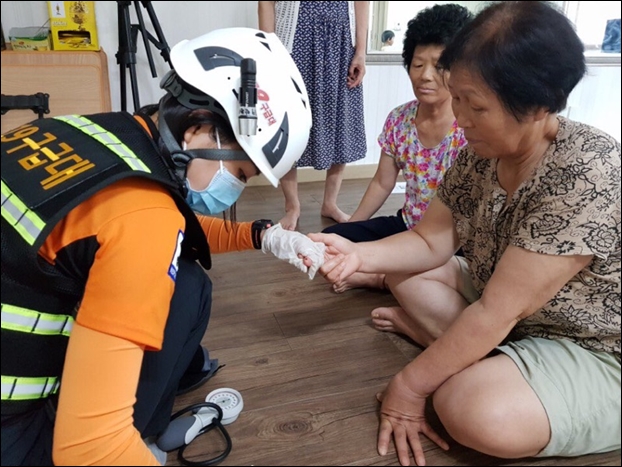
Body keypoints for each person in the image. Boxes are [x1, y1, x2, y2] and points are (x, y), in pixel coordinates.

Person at [311, 2, 621, 465]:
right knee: (402, 272)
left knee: (467, 407)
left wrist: (408, 387)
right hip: (512, 310)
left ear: (539, 105)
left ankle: (471, 359)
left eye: (476, 106)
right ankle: (479, 357)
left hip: (591, 341)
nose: (460, 118)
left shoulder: (586, 170)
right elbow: (428, 240)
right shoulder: (482, 151)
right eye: (457, 98)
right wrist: (358, 255)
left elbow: (498, 310)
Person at [0, 27, 324, 466]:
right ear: (199, 129)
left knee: (187, 279)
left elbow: (145, 224)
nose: (235, 190)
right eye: (240, 175)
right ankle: (141, 433)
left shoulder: (82, 130)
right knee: (189, 288)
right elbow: (90, 450)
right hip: (14, 425)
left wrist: (262, 235)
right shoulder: (147, 218)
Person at [322, 4, 471, 293]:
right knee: (331, 239)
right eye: (418, 65)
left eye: (439, 66)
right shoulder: (399, 119)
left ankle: (377, 278)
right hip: (409, 226)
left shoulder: (470, 127)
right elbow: (382, 182)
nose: (426, 75)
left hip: (453, 241)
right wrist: (350, 229)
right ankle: (388, 274)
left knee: (451, 268)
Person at [258, 1, 369, 230]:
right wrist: (268, 50)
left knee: (339, 118)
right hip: (295, 40)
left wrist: (361, 51)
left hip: (341, 41)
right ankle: (292, 207)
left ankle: (330, 203)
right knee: (289, 121)